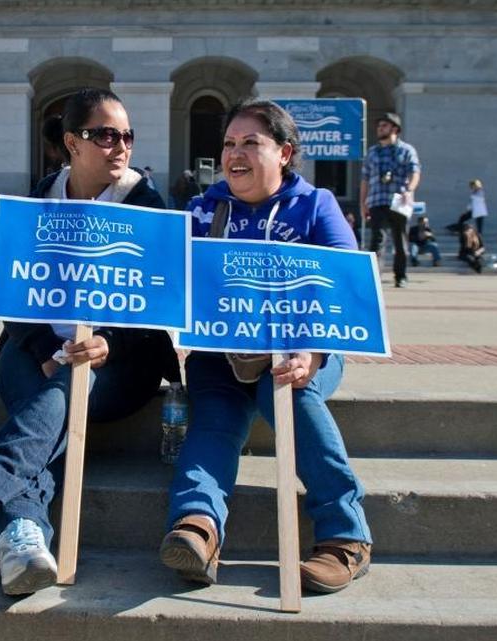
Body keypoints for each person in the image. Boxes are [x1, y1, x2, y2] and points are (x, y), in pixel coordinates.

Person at [0, 88, 181, 597]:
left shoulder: (145, 200)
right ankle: (22, 544)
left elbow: (157, 305)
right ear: (73, 142)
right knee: (53, 391)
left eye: (128, 136)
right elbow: (16, 292)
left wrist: (109, 344)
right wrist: (43, 352)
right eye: (107, 136)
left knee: (65, 388)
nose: (121, 147)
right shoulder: (39, 195)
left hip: (120, 365)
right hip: (32, 351)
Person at [160, 99, 371, 595]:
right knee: (212, 419)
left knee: (294, 397)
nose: (235, 153)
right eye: (229, 143)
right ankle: (197, 526)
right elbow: (169, 280)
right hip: (219, 352)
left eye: (251, 142)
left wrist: (312, 353)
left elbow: (344, 280)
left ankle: (345, 535)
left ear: (285, 153)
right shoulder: (202, 209)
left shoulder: (316, 204)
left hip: (302, 349)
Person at [360, 113, 421, 288]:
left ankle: (400, 276)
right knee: (376, 240)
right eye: (379, 126)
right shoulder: (372, 152)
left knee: (400, 240)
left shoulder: (406, 150)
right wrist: (362, 202)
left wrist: (410, 190)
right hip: (377, 199)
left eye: (384, 126)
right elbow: (365, 179)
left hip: (399, 199)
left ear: (395, 129)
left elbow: (415, 172)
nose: (380, 129)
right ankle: (373, 278)